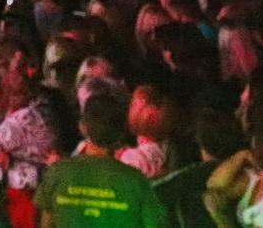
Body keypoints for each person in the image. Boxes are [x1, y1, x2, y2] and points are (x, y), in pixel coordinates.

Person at [34, 93, 165, 227]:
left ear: (82, 127)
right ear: (122, 133)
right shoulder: (135, 180)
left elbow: (45, 224)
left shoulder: (57, 173)